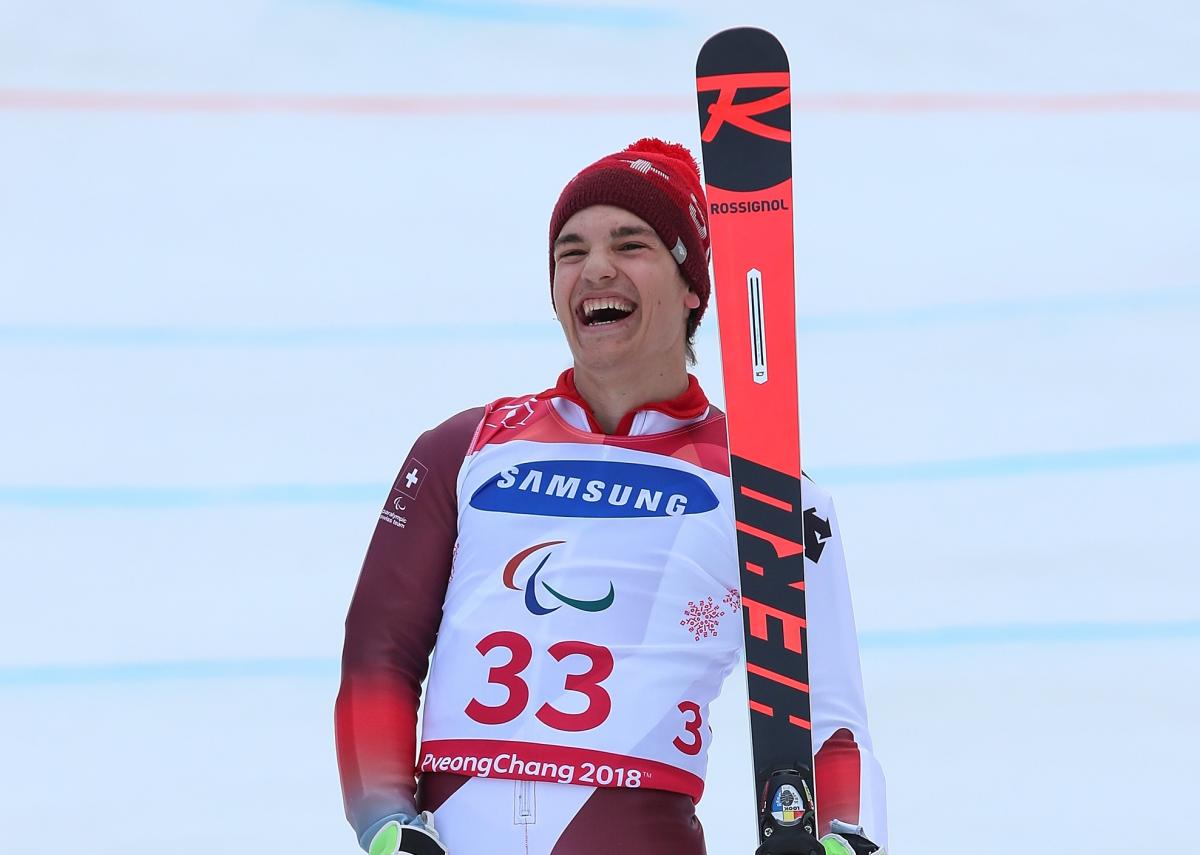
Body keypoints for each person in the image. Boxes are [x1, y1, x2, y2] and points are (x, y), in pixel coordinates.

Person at [335, 139, 887, 855]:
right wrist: (384, 820)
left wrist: (837, 842)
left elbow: (833, 723)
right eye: (571, 251)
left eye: (631, 243)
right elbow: (378, 657)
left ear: (692, 288)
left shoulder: (759, 484)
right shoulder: (463, 450)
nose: (596, 267)